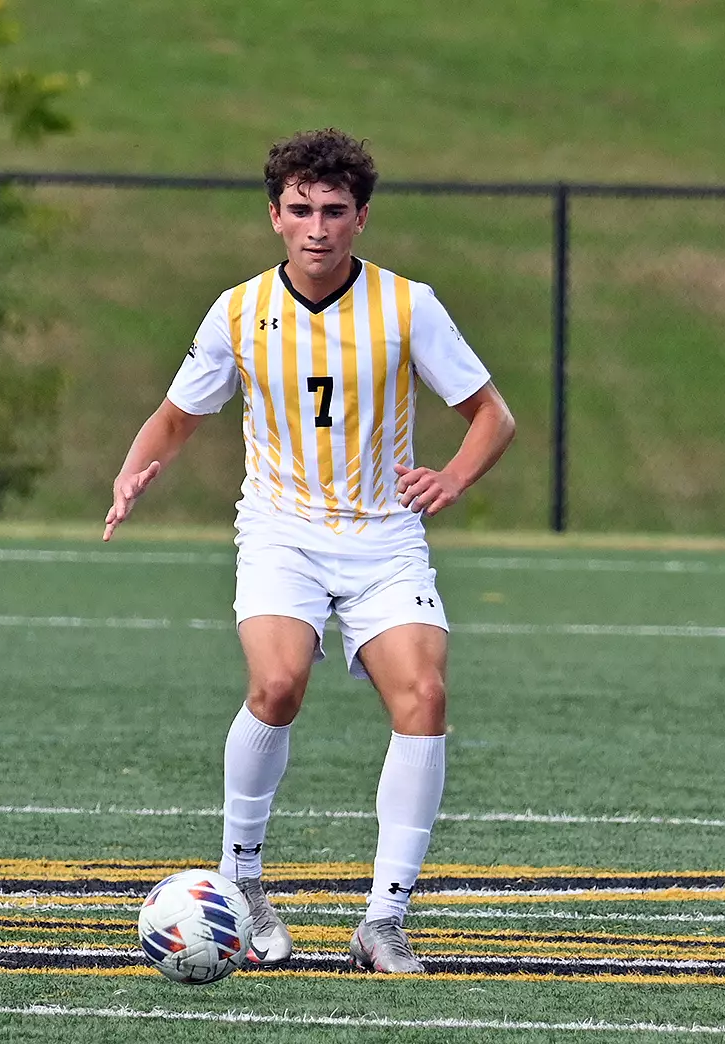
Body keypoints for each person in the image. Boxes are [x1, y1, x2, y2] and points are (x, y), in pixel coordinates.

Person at [104, 129, 515, 974]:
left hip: (382, 535)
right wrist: (134, 470)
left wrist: (454, 479)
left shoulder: (408, 306)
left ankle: (383, 919)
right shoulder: (239, 310)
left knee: (425, 695)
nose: (317, 227)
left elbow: (492, 416)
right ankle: (243, 880)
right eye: (300, 210)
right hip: (282, 531)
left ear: (361, 218)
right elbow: (178, 415)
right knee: (278, 682)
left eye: (334, 211)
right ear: (274, 216)